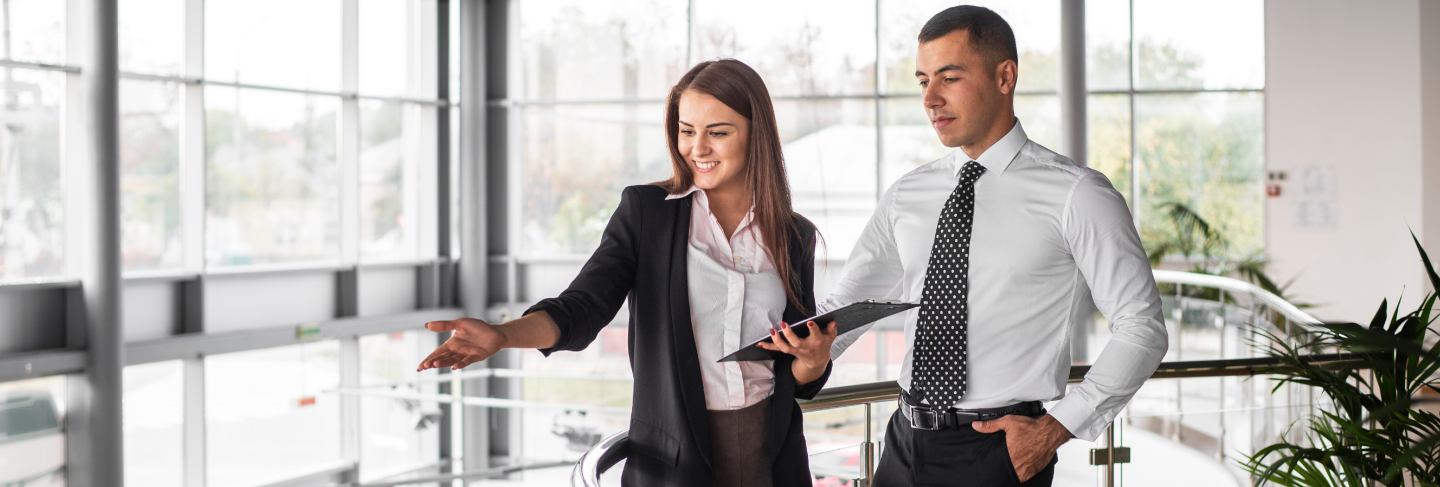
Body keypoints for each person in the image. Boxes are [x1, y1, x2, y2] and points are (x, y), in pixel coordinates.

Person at [416, 58, 838, 487]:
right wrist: (503, 335)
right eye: (687, 130)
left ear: (757, 135)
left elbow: (796, 372)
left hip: (771, 450)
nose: (697, 148)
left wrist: (813, 360)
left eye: (719, 132)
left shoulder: (793, 235)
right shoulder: (647, 214)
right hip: (676, 460)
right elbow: (582, 308)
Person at [823, 6, 1169, 486]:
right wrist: (803, 355)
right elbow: (848, 305)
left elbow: (1142, 328)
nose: (930, 98)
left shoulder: (1077, 193)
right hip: (903, 443)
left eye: (949, 77)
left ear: (1005, 76)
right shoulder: (909, 193)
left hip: (1000, 451)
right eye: (922, 80)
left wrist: (1054, 430)